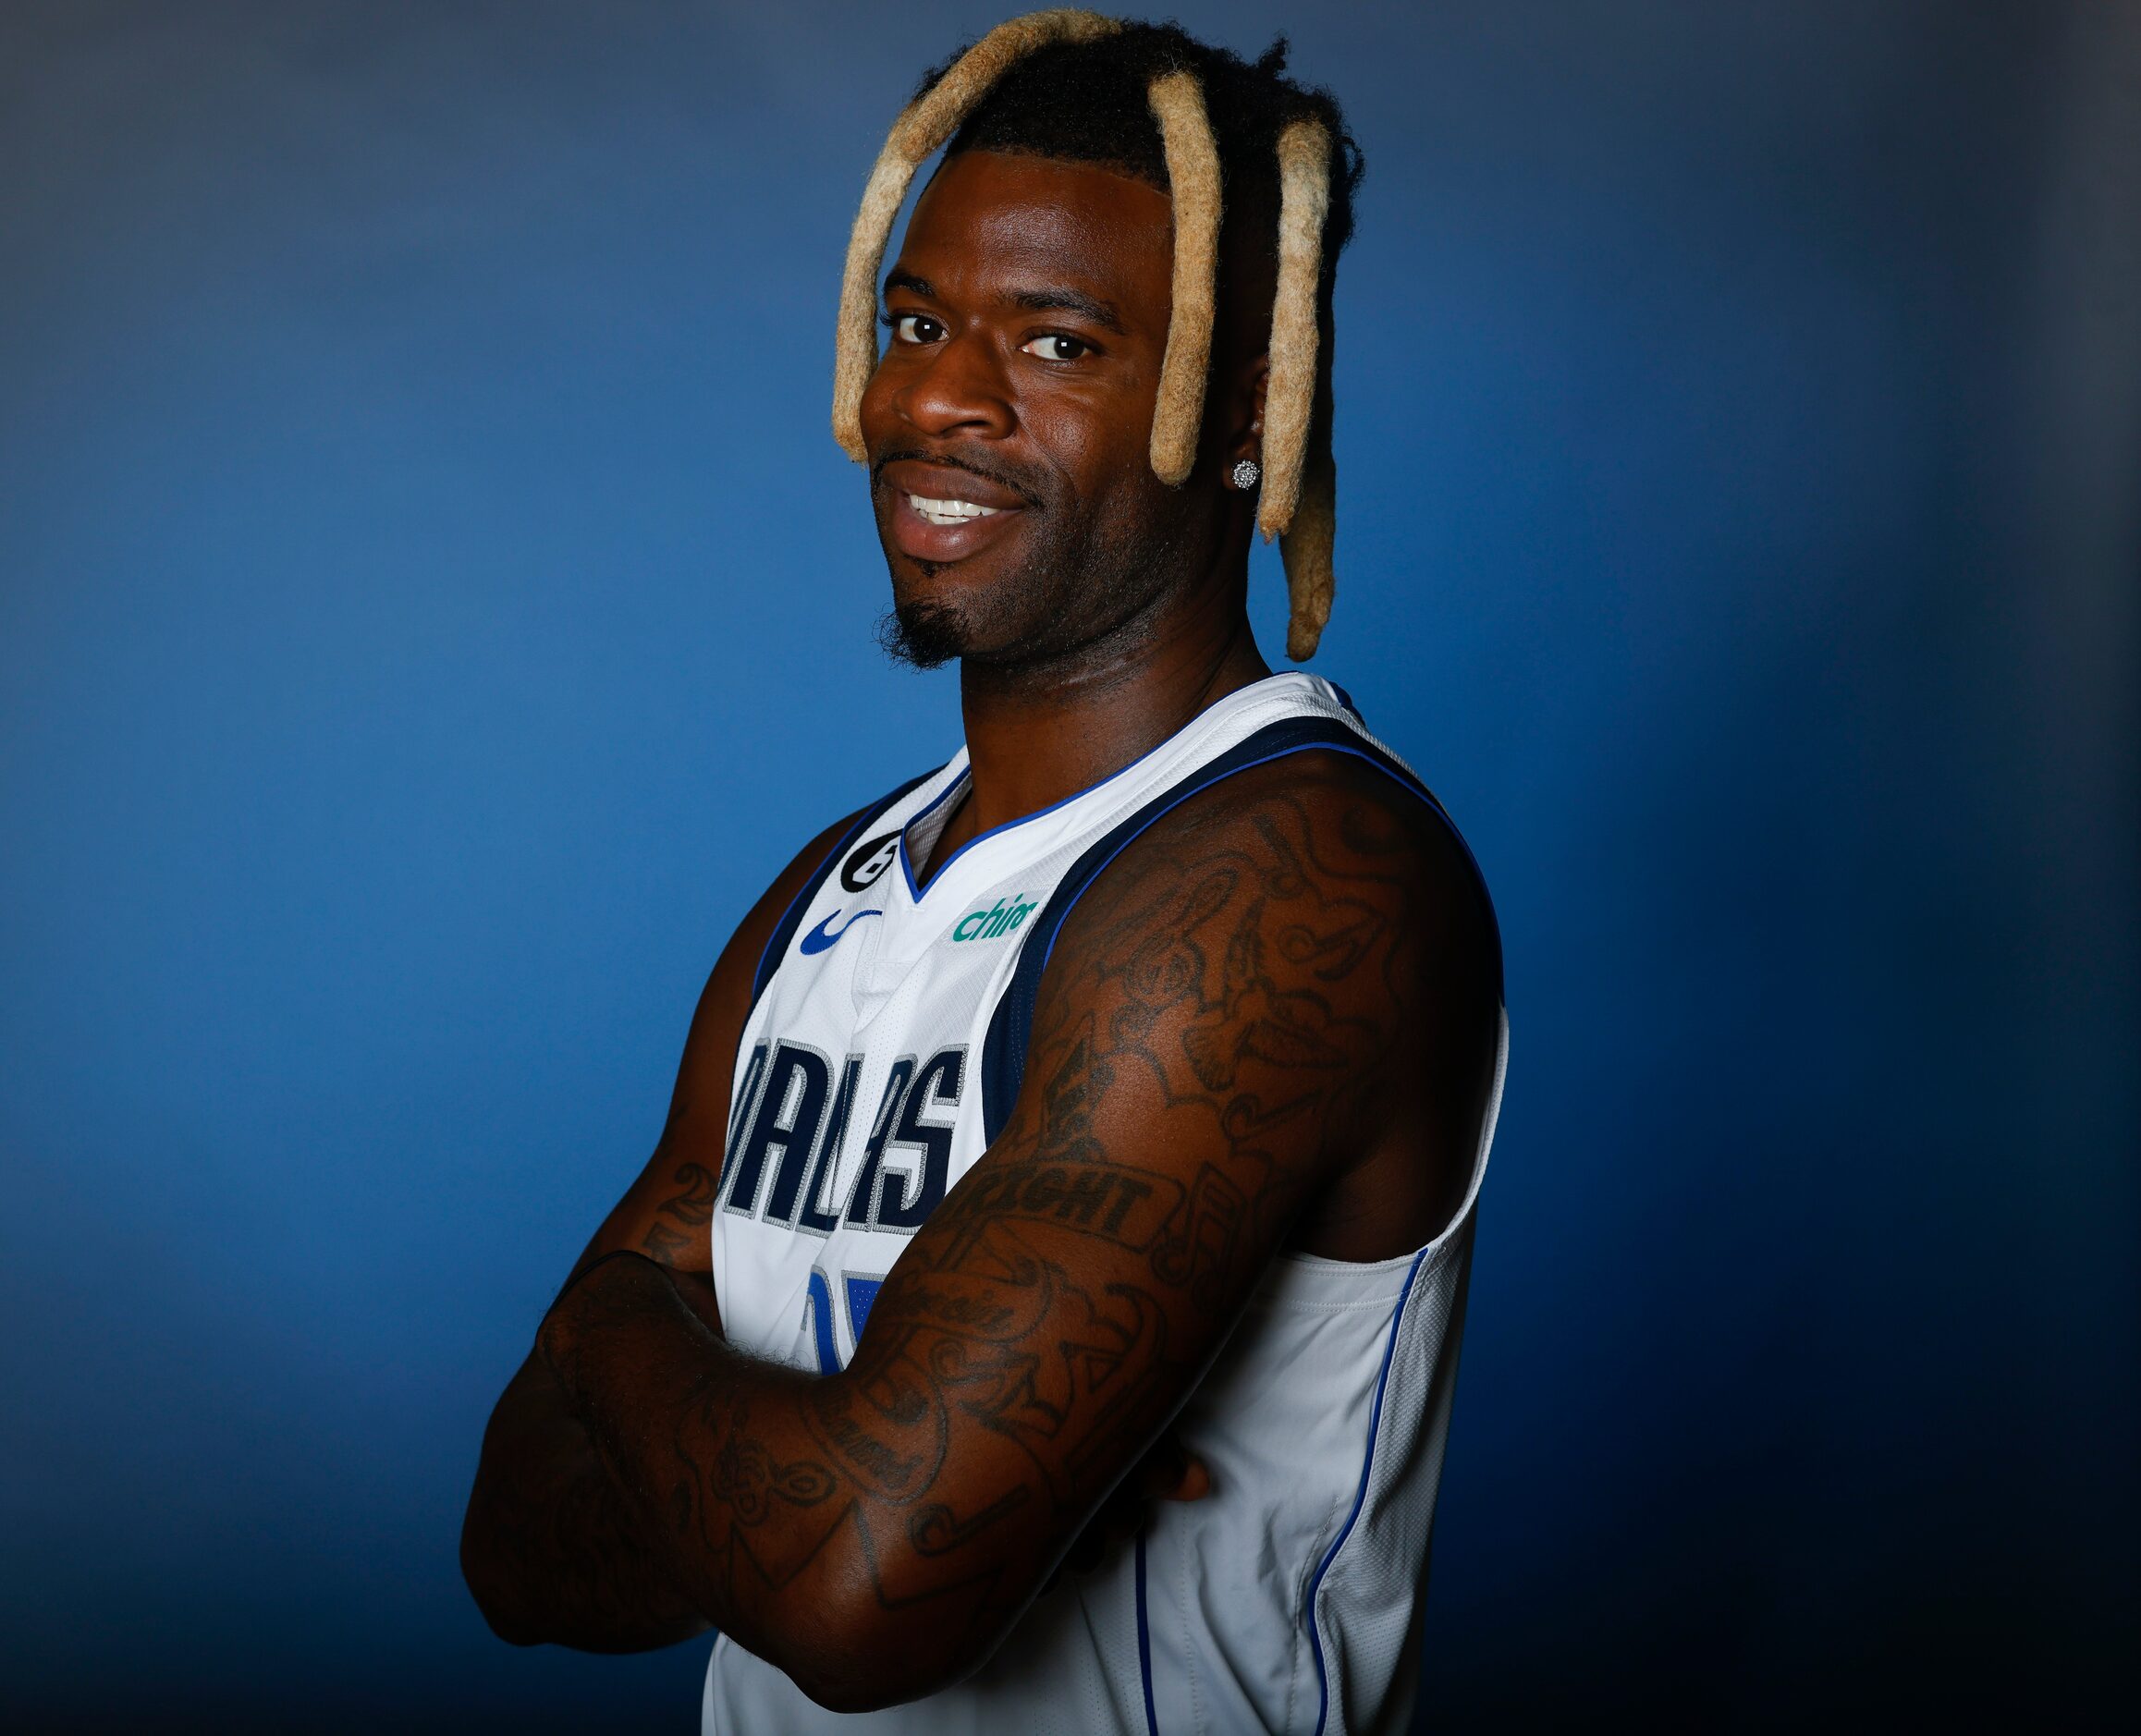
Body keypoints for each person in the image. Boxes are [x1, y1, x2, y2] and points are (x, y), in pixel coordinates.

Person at [460, 14, 1506, 1732]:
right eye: (922, 321)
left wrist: (611, 1340)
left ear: (1245, 408)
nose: (938, 396)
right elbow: (516, 1547)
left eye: (1061, 340)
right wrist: (847, 1463)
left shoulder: (1298, 876)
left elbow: (865, 1593)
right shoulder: (833, 890)